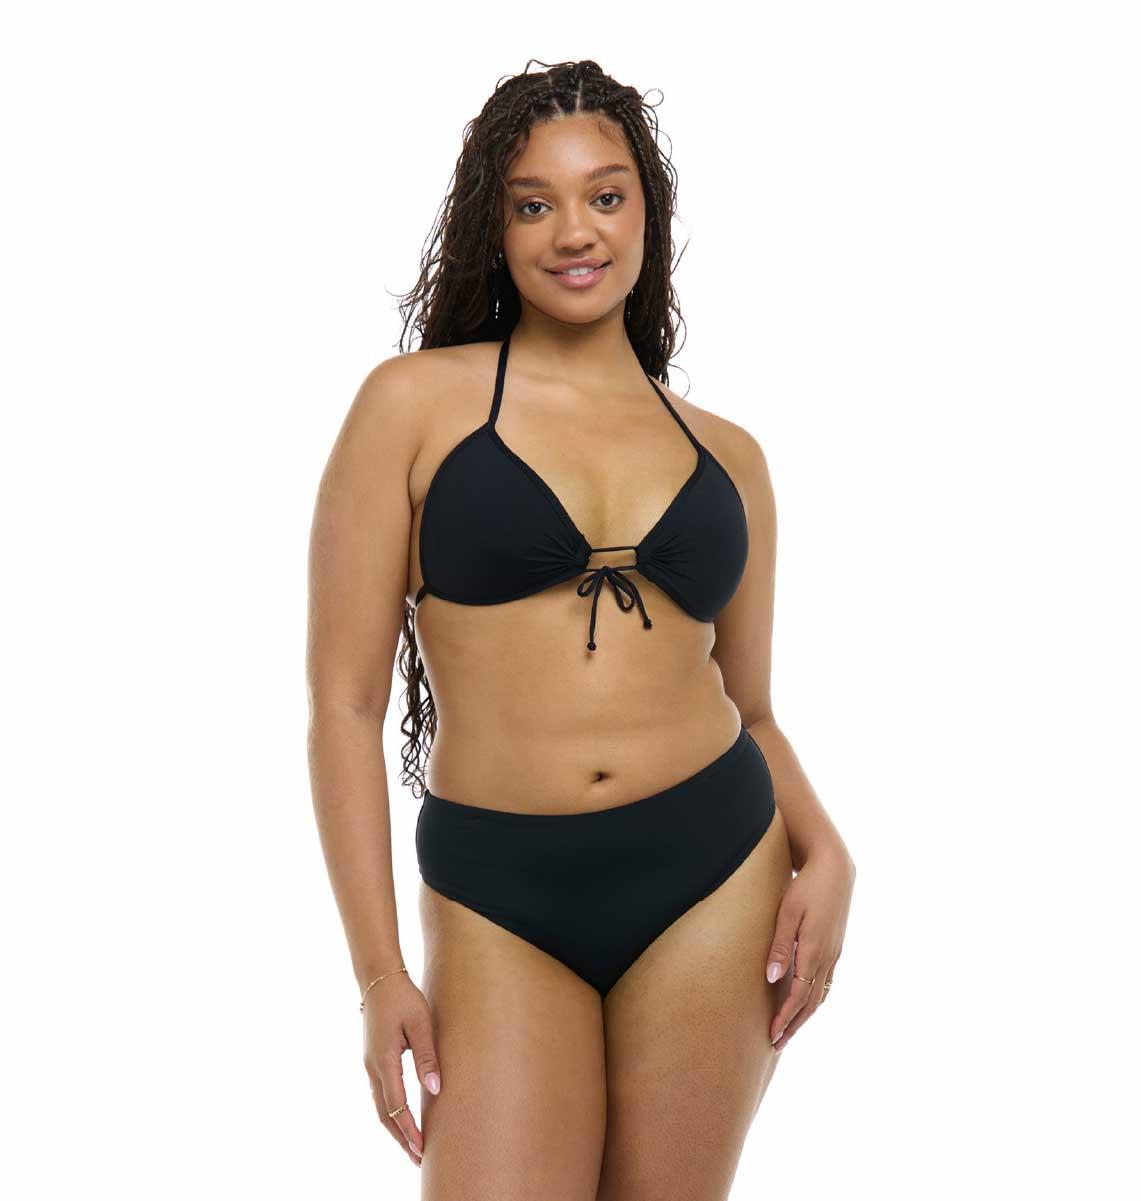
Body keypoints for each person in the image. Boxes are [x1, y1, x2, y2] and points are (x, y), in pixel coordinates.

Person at [307, 58, 856, 1199]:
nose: (574, 232)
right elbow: (344, 706)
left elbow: (753, 710)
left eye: (606, 195)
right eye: (534, 203)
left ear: (648, 211)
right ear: (495, 226)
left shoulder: (731, 456)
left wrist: (829, 849)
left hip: (715, 875)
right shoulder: (412, 405)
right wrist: (378, 974)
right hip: (497, 889)